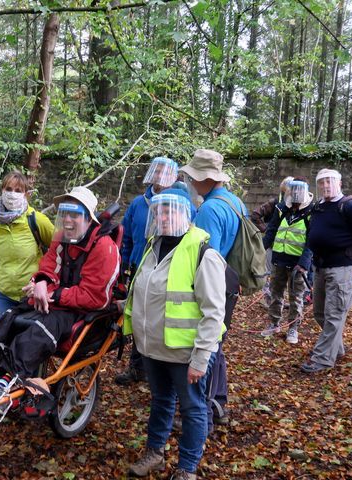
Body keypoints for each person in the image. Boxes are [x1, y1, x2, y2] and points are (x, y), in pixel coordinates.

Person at [0, 186, 120, 406]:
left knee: (40, 329)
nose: (67, 221)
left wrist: (52, 293)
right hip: (57, 303)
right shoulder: (63, 238)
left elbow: (95, 297)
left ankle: (12, 377)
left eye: (74, 215)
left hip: (81, 311)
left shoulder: (104, 248)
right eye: (64, 214)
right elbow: (48, 266)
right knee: (12, 315)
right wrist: (41, 282)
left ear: (88, 218)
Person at [124, 190, 227, 480]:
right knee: (161, 401)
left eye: (171, 211)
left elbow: (213, 313)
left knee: (193, 408)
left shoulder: (203, 253)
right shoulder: (151, 247)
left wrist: (201, 357)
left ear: (186, 214)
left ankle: (187, 469)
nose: (164, 217)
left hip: (185, 354)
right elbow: (145, 295)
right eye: (159, 212)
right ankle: (154, 453)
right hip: (152, 348)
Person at [179, 148, 246, 429]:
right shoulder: (234, 202)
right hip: (230, 283)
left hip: (214, 286)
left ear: (208, 179)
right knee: (217, 345)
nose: (192, 183)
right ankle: (218, 401)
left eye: (195, 177)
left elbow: (206, 256)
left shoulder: (209, 209)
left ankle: (201, 413)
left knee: (205, 346)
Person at [301, 169, 352, 373]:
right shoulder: (318, 207)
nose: (326, 186)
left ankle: (322, 359)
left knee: (334, 314)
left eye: (330, 181)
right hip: (320, 267)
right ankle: (336, 348)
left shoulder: (350, 206)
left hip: (341, 268)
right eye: (322, 182)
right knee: (319, 313)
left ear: (339, 183)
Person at [115, 157, 178, 386]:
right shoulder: (138, 203)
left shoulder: (179, 203)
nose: (161, 175)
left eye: (165, 171)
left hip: (165, 274)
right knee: (138, 318)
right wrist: (122, 265)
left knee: (159, 320)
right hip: (138, 269)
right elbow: (127, 236)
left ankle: (161, 372)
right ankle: (136, 368)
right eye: (158, 170)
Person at [0, 171, 54, 328]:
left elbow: (58, 251)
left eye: (18, 190)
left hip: (32, 295)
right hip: (2, 294)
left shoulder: (36, 220)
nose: (12, 194)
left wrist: (45, 281)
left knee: (27, 343)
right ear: (2, 191)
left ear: (26, 194)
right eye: (9, 189)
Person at [260, 177, 313, 344]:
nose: (296, 194)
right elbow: (271, 231)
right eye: (293, 190)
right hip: (278, 260)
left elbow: (312, 241)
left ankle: (293, 328)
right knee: (276, 293)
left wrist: (304, 263)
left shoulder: (312, 211)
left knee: (296, 296)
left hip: (298, 263)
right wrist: (260, 250)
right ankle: (274, 323)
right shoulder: (281, 208)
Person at [251, 176, 294, 308]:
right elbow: (255, 215)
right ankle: (267, 299)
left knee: (283, 276)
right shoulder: (274, 203)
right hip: (272, 245)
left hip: (288, 247)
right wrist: (267, 229)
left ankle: (277, 299)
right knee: (269, 273)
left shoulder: (296, 205)